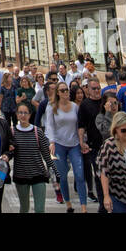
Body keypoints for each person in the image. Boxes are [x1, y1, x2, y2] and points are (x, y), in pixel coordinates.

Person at [44, 81, 89, 212]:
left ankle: (84, 207)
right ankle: (68, 203)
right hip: (59, 144)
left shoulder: (75, 107)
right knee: (62, 175)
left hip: (74, 143)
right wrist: (51, 142)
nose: (65, 93)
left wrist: (82, 141)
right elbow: (50, 126)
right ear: (57, 93)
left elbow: (79, 125)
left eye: (67, 90)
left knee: (80, 175)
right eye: (62, 90)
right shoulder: (52, 107)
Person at [10, 100, 58, 212]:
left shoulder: (37, 131)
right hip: (21, 175)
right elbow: (8, 153)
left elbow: (46, 154)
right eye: (20, 112)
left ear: (30, 115)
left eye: (25, 113)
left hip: (39, 174)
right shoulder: (12, 132)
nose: (23, 115)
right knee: (24, 208)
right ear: (16, 114)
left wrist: (54, 171)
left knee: (40, 209)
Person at [78, 78, 106, 210]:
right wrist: (81, 141)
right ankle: (102, 204)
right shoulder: (85, 105)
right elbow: (81, 125)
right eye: (94, 88)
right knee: (99, 175)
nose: (96, 91)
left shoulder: (105, 102)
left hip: (110, 145)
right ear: (88, 90)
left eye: (98, 88)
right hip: (95, 146)